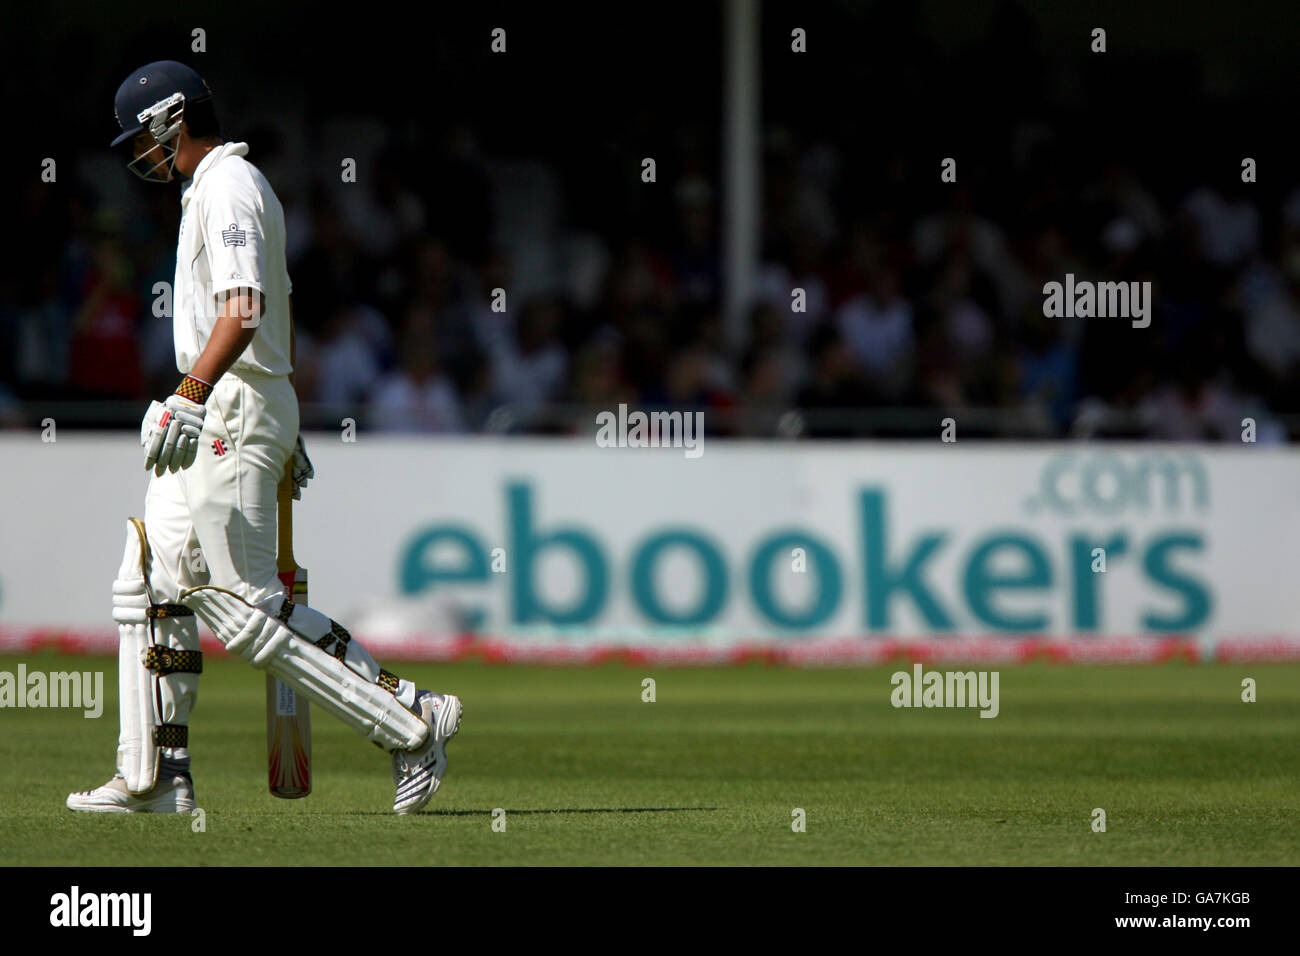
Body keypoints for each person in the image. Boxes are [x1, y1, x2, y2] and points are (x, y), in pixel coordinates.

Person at [67, 60, 461, 815]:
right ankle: (156, 775)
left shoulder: (228, 187)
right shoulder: (207, 191)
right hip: (230, 402)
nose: (136, 156)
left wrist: (199, 394)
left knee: (240, 606)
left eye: (140, 138)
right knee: (152, 580)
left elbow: (243, 307)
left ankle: (410, 719)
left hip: (226, 404)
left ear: (171, 119)